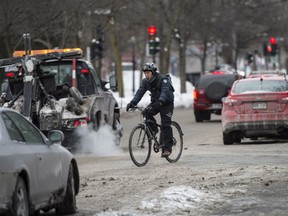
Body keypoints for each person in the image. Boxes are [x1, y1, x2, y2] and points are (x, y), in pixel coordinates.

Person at [126, 62, 174, 157]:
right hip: (156, 102)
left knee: (165, 124)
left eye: (148, 72)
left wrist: (161, 101)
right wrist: (132, 103)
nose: (146, 74)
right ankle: (154, 130)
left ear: (153, 72)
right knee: (146, 112)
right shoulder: (145, 82)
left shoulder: (162, 79)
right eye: (145, 73)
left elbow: (165, 91)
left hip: (166, 103)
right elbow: (140, 93)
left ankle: (167, 148)